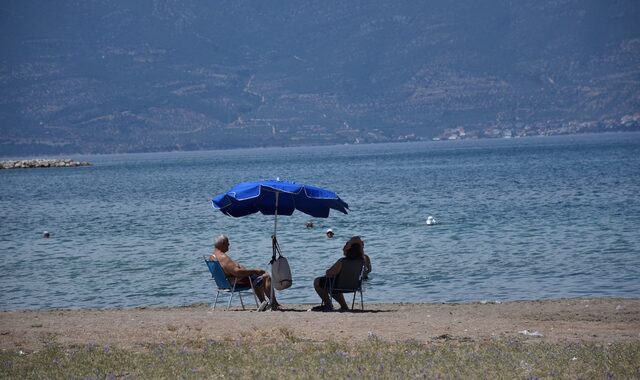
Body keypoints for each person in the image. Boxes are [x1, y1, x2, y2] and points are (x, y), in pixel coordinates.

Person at [209, 234, 278, 311]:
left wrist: (236, 266)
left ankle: (264, 303)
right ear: (222, 243)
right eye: (228, 243)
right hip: (234, 283)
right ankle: (274, 303)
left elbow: (226, 270)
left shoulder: (212, 256)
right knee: (265, 277)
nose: (229, 245)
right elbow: (237, 272)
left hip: (223, 283)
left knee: (257, 278)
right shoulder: (223, 257)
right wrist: (254, 270)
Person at [312, 236, 371, 311]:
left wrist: (330, 272)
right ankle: (344, 306)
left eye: (344, 247)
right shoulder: (362, 261)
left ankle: (328, 305)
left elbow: (328, 272)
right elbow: (368, 270)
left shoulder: (342, 261)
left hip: (339, 285)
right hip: (355, 286)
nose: (343, 249)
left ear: (348, 250)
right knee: (333, 282)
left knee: (318, 281)